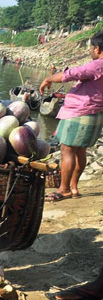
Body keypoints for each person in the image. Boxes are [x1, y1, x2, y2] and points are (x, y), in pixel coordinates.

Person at [40, 31, 103, 202]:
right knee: (80, 151)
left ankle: (64, 189)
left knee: (67, 150)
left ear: (97, 49)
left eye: (90, 48)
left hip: (80, 113)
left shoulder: (97, 65)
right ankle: (74, 187)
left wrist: (49, 78)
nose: (90, 51)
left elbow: (71, 74)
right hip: (95, 113)